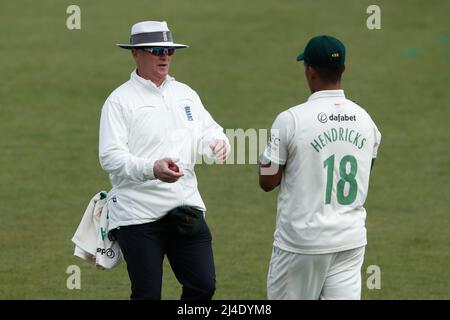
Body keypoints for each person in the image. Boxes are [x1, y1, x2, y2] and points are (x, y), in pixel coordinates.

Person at [99, 21, 230, 300]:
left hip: (185, 207)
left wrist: (217, 143)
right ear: (136, 53)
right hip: (137, 216)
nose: (165, 56)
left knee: (203, 286)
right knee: (147, 294)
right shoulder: (119, 101)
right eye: (157, 50)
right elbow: (110, 156)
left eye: (169, 50)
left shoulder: (185, 94)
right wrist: (152, 169)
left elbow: (210, 130)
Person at [259, 35, 381, 300]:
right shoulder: (366, 120)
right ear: (343, 70)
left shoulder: (290, 119)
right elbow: (364, 171)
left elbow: (267, 181)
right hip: (349, 240)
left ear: (310, 70)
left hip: (302, 243)